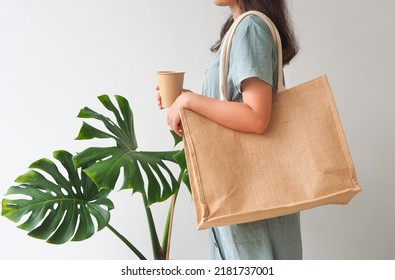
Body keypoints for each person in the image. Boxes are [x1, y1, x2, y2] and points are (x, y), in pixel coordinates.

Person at [157, 0, 302, 260]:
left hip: (252, 198)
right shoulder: (237, 29)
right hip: (246, 195)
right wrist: (185, 101)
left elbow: (257, 117)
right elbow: (234, 107)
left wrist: (191, 101)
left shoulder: (250, 27)